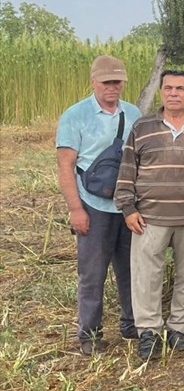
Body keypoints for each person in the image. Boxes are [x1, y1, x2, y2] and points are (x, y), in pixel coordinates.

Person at [115, 70, 184, 362]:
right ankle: (149, 332)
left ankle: (178, 329)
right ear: (161, 92)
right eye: (168, 88)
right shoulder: (143, 127)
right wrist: (128, 208)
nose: (173, 93)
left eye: (180, 88)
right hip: (149, 216)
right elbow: (127, 168)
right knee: (147, 275)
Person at [55, 55, 143, 355]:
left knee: (132, 270)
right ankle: (89, 335)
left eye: (117, 82)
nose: (112, 87)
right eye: (106, 82)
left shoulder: (133, 114)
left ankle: (132, 324)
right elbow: (66, 166)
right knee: (92, 273)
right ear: (93, 82)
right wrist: (76, 209)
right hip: (92, 206)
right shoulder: (75, 116)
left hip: (127, 207)